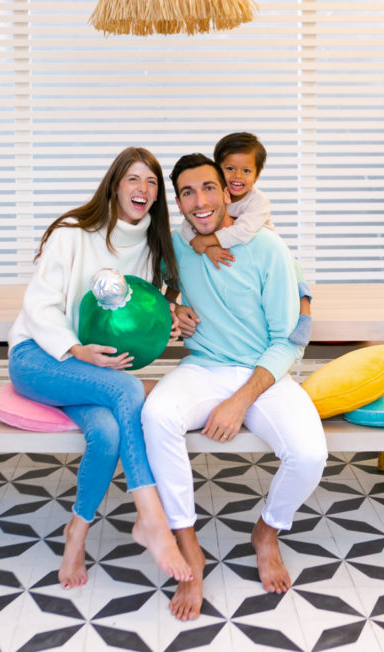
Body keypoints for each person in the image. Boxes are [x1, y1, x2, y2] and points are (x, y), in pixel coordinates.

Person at [142, 153, 327, 621]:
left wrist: (238, 401)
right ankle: (189, 547)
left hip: (265, 374)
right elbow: (160, 288)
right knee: (156, 415)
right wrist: (170, 307)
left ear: (228, 191)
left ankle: (267, 532)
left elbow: (288, 340)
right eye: (186, 192)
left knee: (309, 454)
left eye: (208, 188)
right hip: (204, 367)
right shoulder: (181, 244)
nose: (199, 201)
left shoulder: (269, 249)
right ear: (178, 202)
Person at [8, 147, 193, 590]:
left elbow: (139, 312)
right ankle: (151, 518)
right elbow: (39, 305)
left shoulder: (152, 248)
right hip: (39, 357)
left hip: (92, 373)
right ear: (114, 185)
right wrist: (74, 349)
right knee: (129, 391)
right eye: (133, 179)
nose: (143, 189)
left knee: (108, 431)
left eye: (151, 182)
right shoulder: (73, 234)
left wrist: (172, 312)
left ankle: (76, 534)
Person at [179, 132, 311, 347]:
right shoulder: (213, 195)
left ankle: (305, 315)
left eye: (246, 171)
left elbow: (243, 232)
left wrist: (208, 240)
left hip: (259, 252)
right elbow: (188, 225)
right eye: (230, 168)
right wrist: (207, 248)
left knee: (294, 272)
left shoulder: (258, 201)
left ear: (257, 176)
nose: (237, 176)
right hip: (232, 254)